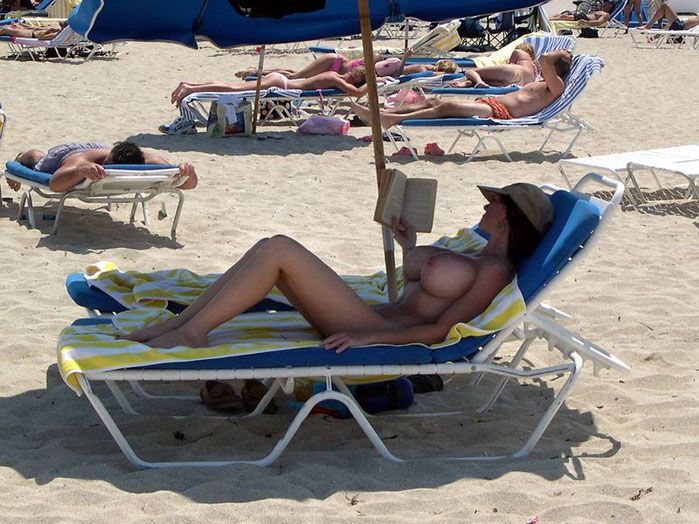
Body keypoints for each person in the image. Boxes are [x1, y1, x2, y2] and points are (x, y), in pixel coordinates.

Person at [119, 182, 554, 351]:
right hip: (370, 316)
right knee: (268, 247)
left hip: (371, 327)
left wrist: (370, 338)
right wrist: (409, 246)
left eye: (494, 202)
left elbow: (442, 330)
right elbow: (420, 286)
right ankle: (183, 324)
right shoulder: (476, 252)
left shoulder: (495, 270)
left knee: (279, 249)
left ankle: (191, 332)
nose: (486, 204)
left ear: (509, 217)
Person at [351, 49, 572, 128]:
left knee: (446, 107)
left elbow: (544, 58)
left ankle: (392, 119)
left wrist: (561, 54)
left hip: (501, 113)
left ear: (555, 69)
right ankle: (383, 114)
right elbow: (544, 61)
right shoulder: (542, 82)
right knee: (433, 101)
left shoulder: (556, 87)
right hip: (490, 103)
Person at [8, 141, 198, 192]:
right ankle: (22, 156)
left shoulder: (151, 162)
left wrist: (188, 172)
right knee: (39, 161)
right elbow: (55, 184)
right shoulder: (84, 160)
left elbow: (190, 185)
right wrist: (79, 171)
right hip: (67, 156)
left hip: (104, 149)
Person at [170, 66, 372, 106]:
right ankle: (190, 88)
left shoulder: (334, 73)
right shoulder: (337, 79)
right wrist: (374, 83)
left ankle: (190, 85)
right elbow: (356, 94)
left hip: (281, 80)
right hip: (282, 83)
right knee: (233, 88)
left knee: (233, 86)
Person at [234, 52, 382, 79]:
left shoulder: (370, 71)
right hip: (334, 61)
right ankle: (255, 73)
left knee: (295, 73)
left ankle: (256, 70)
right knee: (296, 76)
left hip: (335, 67)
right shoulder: (374, 58)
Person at [448, 43, 538, 88]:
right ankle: (471, 83)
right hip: (520, 83)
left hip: (515, 71)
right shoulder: (534, 67)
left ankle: (478, 81)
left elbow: (510, 64)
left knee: (470, 71)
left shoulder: (519, 52)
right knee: (489, 81)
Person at [549, 1, 614, 25]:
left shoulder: (605, 15)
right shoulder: (601, 11)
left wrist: (585, 22)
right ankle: (547, 18)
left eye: (607, 4)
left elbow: (598, 22)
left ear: (609, 7)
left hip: (584, 18)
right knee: (561, 14)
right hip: (583, 15)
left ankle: (548, 20)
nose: (605, 4)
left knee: (563, 17)